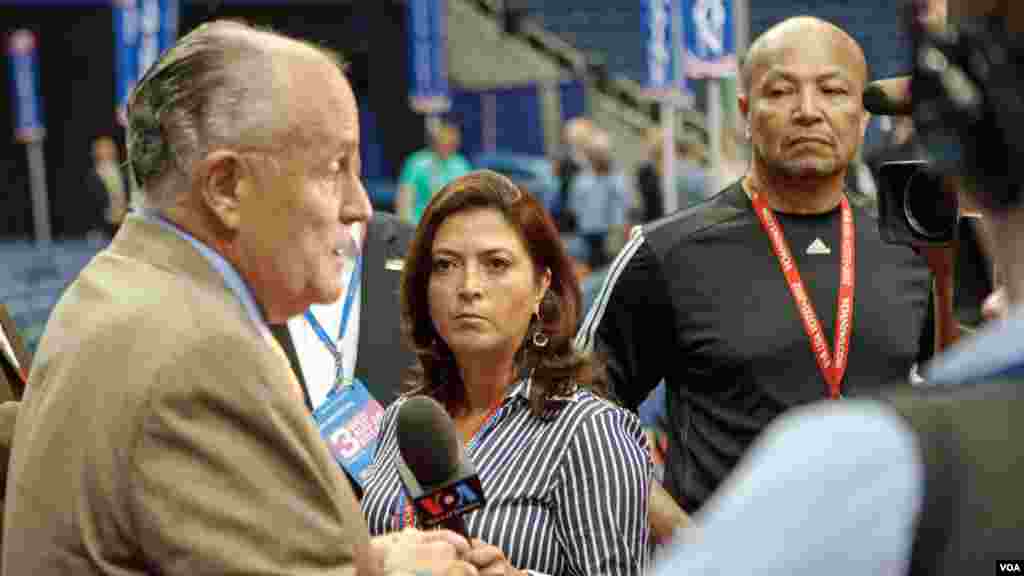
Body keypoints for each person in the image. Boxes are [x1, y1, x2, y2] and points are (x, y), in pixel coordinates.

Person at [3, 21, 475, 575]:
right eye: (333, 169)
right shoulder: (200, 354)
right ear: (225, 186)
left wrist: (371, 560)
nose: (360, 206)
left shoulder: (116, 287)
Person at [577, 16, 933, 513]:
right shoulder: (667, 252)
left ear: (863, 116)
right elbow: (577, 413)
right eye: (781, 92)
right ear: (745, 112)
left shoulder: (909, 246)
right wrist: (678, 531)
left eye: (832, 91)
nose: (808, 112)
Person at [362, 170, 652, 576]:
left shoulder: (587, 430)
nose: (468, 286)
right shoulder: (404, 420)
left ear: (540, 285)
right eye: (445, 265)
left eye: (496, 264)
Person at [271, 212, 417, 411]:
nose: (361, 203)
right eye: (329, 178)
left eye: (355, 178)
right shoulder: (236, 255)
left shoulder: (416, 247)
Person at [568, 128, 630, 269]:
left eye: (602, 154)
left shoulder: (617, 178)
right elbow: (575, 207)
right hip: (588, 232)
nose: (599, 158)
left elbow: (624, 203)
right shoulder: (582, 180)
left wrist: (620, 226)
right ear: (590, 156)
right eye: (596, 154)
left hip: (613, 232)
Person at [396, 120, 472, 225]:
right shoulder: (416, 162)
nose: (448, 142)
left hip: (452, 226)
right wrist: (406, 228)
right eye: (444, 138)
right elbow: (404, 199)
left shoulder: (461, 164)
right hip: (419, 225)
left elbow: (468, 200)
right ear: (436, 139)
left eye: (452, 140)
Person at [85, 135, 131, 240]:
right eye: (103, 148)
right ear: (96, 152)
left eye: (110, 147)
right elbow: (91, 205)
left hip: (126, 223)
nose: (107, 151)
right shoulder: (92, 178)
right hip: (103, 229)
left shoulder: (124, 172)